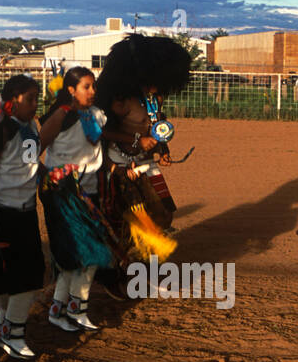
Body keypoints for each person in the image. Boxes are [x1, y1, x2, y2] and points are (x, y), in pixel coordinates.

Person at [93, 34, 192, 296]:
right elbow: (101, 131)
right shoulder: (119, 101)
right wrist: (136, 139)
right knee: (130, 222)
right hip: (121, 166)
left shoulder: (154, 99)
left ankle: (145, 271)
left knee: (163, 215)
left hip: (148, 164)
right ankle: (119, 274)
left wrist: (162, 147)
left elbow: (157, 124)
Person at [38, 66, 116, 332]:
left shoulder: (94, 116)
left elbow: (103, 144)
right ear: (71, 90)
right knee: (90, 252)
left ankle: (62, 309)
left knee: (81, 255)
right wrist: (47, 174)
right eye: (86, 86)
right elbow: (34, 148)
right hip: (63, 192)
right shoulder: (60, 116)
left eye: (93, 86)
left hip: (88, 190)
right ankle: (74, 308)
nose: (93, 91)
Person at [0, 74, 45, 359]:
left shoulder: (29, 127)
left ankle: (4, 328)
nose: (34, 105)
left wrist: (50, 175)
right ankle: (13, 333)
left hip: (26, 212)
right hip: (2, 213)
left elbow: (31, 166)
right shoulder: (0, 131)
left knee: (25, 274)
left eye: (36, 99)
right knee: (24, 278)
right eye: (30, 100)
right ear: (11, 101)